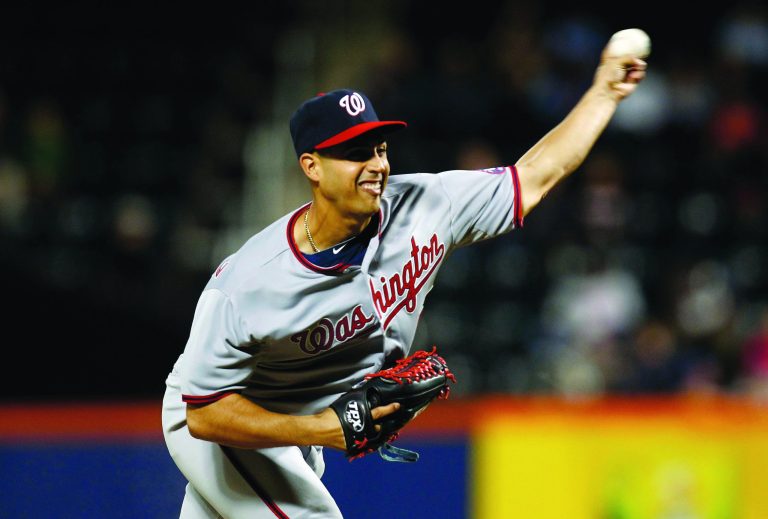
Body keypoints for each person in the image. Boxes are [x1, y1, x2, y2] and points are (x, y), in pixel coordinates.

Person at [161, 41, 647, 518]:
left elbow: (537, 174)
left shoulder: (427, 206)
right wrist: (322, 430)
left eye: (379, 147)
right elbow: (204, 412)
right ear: (311, 166)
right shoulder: (248, 282)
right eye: (354, 153)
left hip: (288, 431)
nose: (376, 165)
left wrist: (604, 94)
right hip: (221, 422)